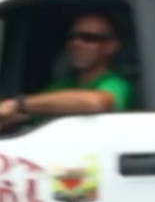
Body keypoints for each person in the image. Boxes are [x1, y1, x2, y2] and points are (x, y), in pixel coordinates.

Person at [0, 12, 134, 131]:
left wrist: (19, 104)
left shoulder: (116, 84)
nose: (76, 43)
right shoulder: (62, 86)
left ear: (111, 47)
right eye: (72, 37)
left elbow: (97, 102)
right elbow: (22, 115)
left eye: (88, 38)